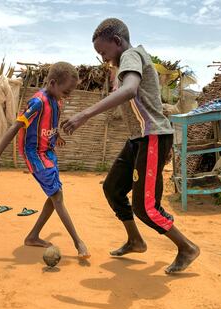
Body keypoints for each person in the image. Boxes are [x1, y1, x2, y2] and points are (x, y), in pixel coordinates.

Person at [61, 18, 199, 273]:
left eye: (103, 52)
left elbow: (130, 90)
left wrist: (84, 115)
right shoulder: (123, 63)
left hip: (153, 137)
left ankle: (187, 247)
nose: (103, 58)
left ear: (117, 42)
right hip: (139, 139)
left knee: (145, 207)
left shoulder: (131, 55)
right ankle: (135, 240)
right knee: (113, 188)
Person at [0, 62, 90, 259]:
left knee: (54, 195)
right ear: (52, 83)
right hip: (34, 154)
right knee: (57, 196)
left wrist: (55, 135)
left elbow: (50, 122)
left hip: (48, 152)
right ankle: (78, 242)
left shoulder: (57, 100)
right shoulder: (37, 102)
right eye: (66, 91)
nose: (68, 96)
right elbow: (15, 127)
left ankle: (32, 236)